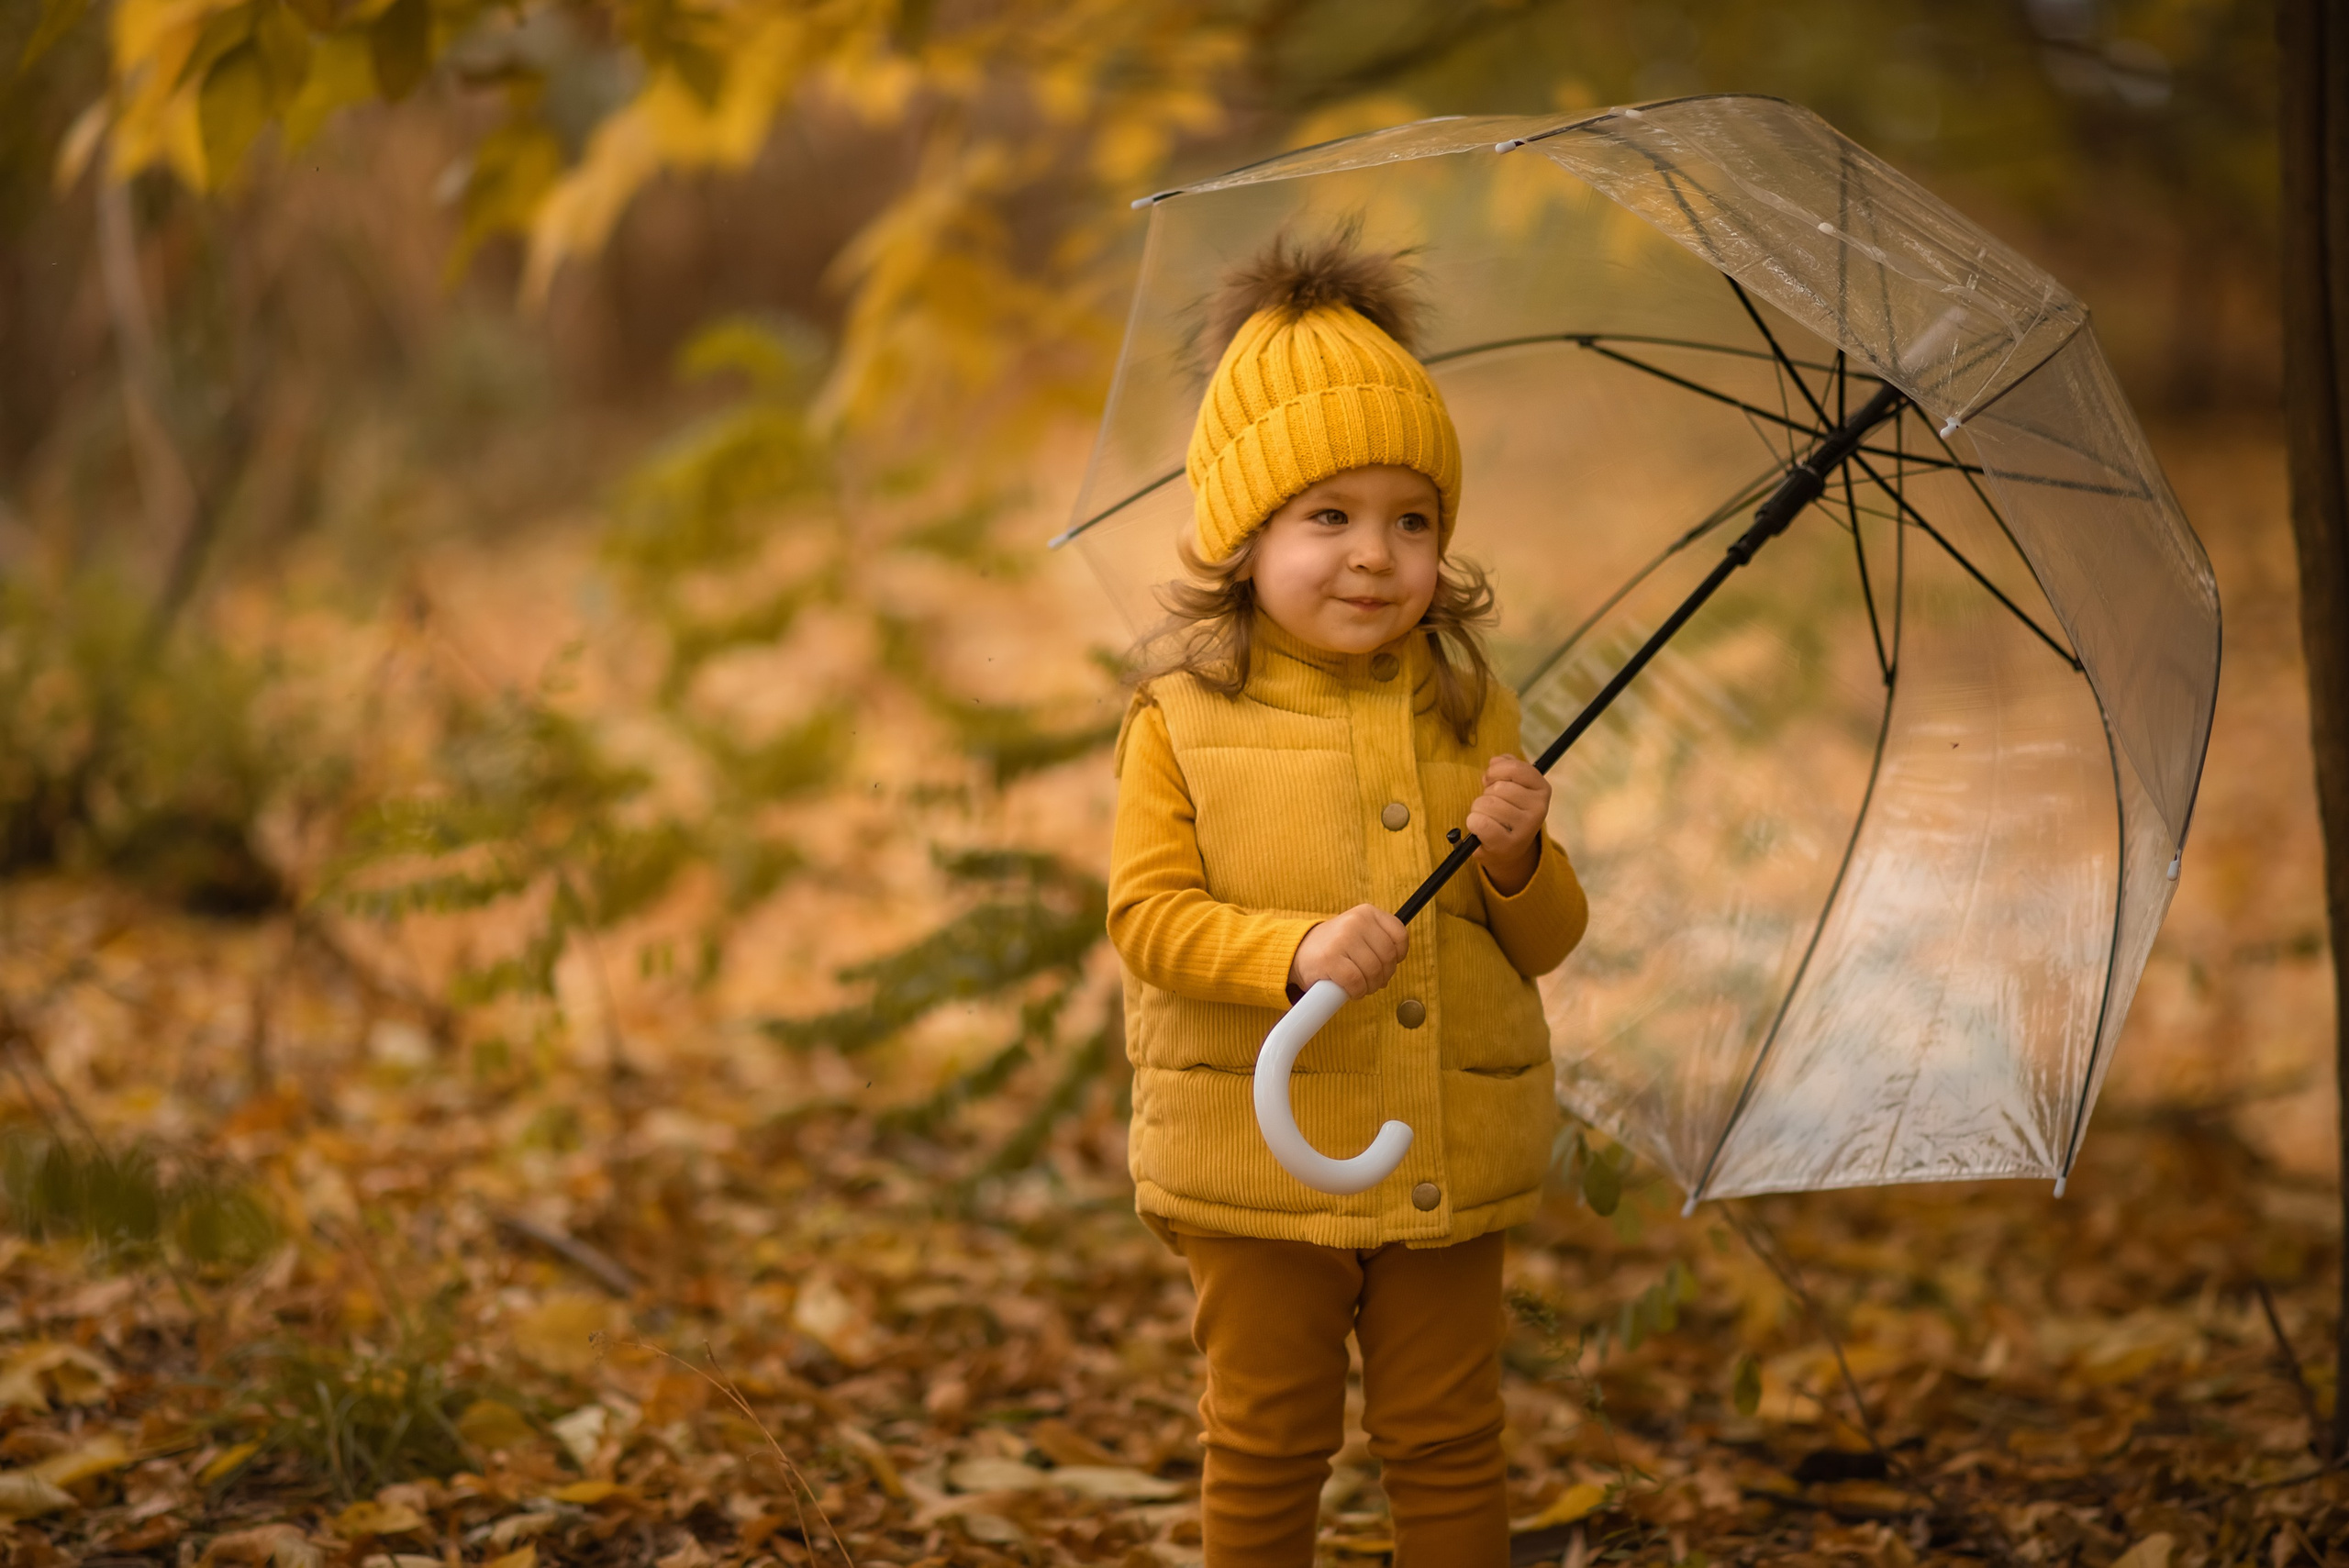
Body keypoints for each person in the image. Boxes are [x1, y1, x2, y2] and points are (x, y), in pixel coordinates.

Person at [1106, 230, 1589, 1567]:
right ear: (1243, 532)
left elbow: (1546, 940)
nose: (1376, 555)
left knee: (1446, 1431)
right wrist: (1295, 947)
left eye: (1411, 519)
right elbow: (1147, 918)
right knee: (1266, 1432)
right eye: (1329, 515)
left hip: (1440, 1145)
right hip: (1256, 1157)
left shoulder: (1467, 702)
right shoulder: (1183, 717)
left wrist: (1513, 860)